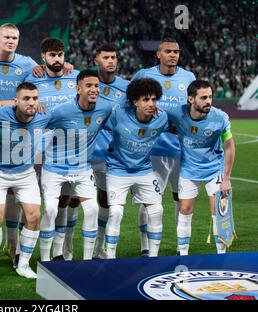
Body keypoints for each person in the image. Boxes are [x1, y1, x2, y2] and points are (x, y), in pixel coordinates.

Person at [63, 43, 130, 260]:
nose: (111, 61)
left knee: (104, 201)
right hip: (82, 154)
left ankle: (98, 247)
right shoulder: (85, 82)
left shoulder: (126, 87)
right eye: (106, 57)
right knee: (73, 200)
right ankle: (68, 246)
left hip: (108, 155)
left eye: (114, 57)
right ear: (96, 61)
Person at [131, 37, 196, 256]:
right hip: (153, 151)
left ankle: (181, 247)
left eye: (176, 51)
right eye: (168, 51)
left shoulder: (188, 77)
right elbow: (129, 106)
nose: (173, 55)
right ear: (158, 54)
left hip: (182, 151)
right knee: (149, 201)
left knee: (181, 200)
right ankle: (145, 245)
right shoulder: (144, 76)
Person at [39, 69, 113, 261]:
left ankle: (87, 261)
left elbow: (120, 121)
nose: (94, 89)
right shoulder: (62, 110)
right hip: (55, 169)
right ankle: (47, 260)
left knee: (92, 210)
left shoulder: (104, 109)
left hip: (82, 169)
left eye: (96, 86)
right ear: (78, 88)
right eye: (89, 85)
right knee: (51, 209)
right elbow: (39, 126)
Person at [0, 82, 51, 281]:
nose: (31, 103)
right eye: (26, 98)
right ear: (16, 101)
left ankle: (23, 264)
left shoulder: (44, 116)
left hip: (25, 173)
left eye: (35, 99)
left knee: (34, 216)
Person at [24, 37, 79, 261]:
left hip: (68, 150)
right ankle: (21, 250)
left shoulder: (75, 77)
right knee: (29, 202)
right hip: (37, 150)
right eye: (52, 55)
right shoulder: (32, 78)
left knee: (62, 202)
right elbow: (20, 103)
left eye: (60, 55)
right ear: (43, 57)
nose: (57, 59)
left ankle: (57, 252)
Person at [166, 80, 235, 256]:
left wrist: (226, 178)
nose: (208, 101)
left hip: (215, 169)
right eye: (203, 98)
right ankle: (183, 254)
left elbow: (230, 147)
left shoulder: (220, 117)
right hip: (189, 169)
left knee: (219, 211)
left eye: (210, 97)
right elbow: (159, 120)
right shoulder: (176, 113)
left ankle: (221, 255)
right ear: (191, 99)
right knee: (185, 209)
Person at [104, 78, 169, 259]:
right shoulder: (118, 114)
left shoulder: (162, 117)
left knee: (157, 210)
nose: (151, 104)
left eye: (154, 100)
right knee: (116, 212)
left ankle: (153, 258)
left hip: (144, 169)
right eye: (146, 100)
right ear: (135, 102)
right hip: (118, 169)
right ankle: (110, 259)